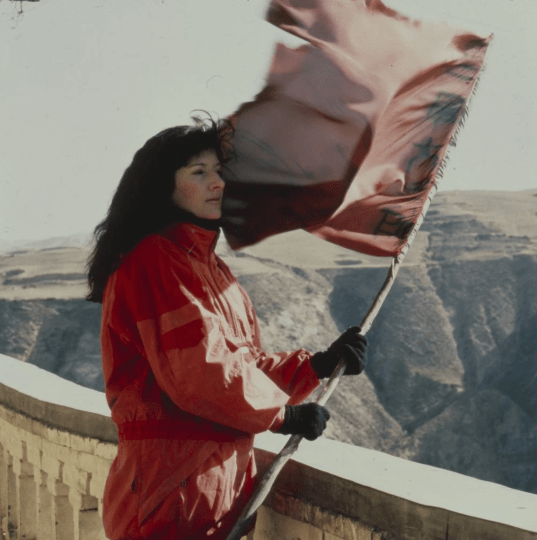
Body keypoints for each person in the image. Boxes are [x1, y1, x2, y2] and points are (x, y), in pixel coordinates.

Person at [86, 116, 368, 540]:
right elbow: (199, 372)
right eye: (199, 173)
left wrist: (316, 366)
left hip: (212, 487)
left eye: (219, 171)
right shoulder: (154, 259)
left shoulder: (211, 269)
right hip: (170, 491)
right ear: (163, 186)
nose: (217, 183)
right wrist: (282, 415)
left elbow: (242, 367)